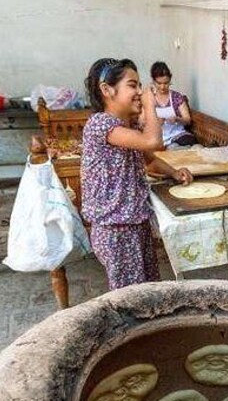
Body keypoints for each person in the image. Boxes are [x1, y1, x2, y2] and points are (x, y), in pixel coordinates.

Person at [82, 58, 193, 290]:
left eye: (140, 85)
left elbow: (149, 161)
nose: (140, 91)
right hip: (116, 229)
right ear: (107, 90)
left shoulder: (126, 127)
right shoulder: (99, 124)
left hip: (134, 223)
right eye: (132, 85)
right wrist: (151, 104)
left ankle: (153, 326)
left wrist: (173, 173)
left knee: (147, 289)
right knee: (130, 298)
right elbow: (153, 142)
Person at [150, 61, 197, 148]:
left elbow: (188, 120)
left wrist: (177, 119)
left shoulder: (177, 97)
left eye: (166, 83)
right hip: (158, 137)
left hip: (178, 134)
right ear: (153, 81)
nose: (163, 87)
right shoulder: (149, 98)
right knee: (172, 148)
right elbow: (141, 122)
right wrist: (155, 122)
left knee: (192, 145)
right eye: (159, 83)